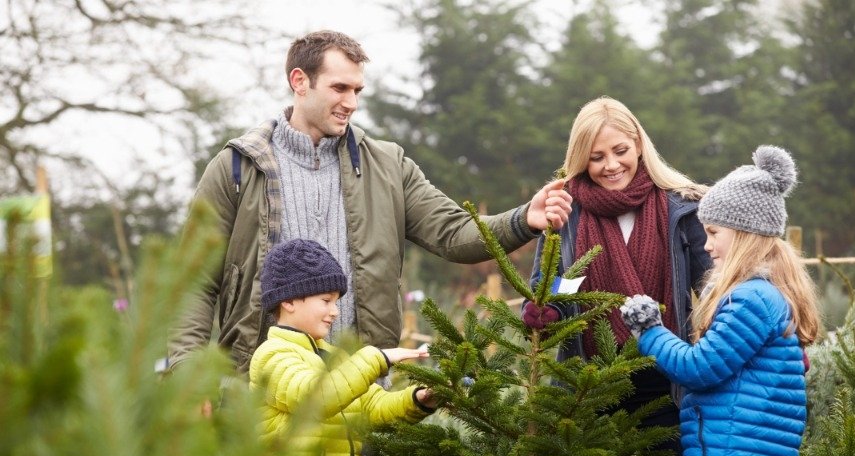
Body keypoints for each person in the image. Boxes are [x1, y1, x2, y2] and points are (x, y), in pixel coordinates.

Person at [170, 30, 572, 373]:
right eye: (339, 88)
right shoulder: (236, 168)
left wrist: (524, 219)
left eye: (357, 90)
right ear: (299, 81)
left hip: (360, 387)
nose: (352, 103)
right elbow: (192, 281)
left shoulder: (388, 166)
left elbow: (453, 233)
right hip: (260, 392)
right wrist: (185, 372)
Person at [522, 96, 711, 456]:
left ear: (639, 144)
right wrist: (547, 307)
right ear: (581, 159)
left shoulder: (682, 206)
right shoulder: (566, 211)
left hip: (669, 385)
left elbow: (714, 287)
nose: (611, 165)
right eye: (596, 157)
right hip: (591, 386)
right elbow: (557, 282)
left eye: (620, 151)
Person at [620, 145, 819, 456]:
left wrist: (650, 329)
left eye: (714, 233)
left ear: (743, 233)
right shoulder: (764, 294)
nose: (707, 246)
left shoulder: (751, 299)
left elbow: (699, 368)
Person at [249, 239, 437, 456]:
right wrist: (377, 357)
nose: (335, 311)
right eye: (326, 300)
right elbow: (316, 398)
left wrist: (419, 399)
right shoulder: (272, 356)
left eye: (336, 302)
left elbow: (373, 407)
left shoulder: (333, 357)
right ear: (289, 301)